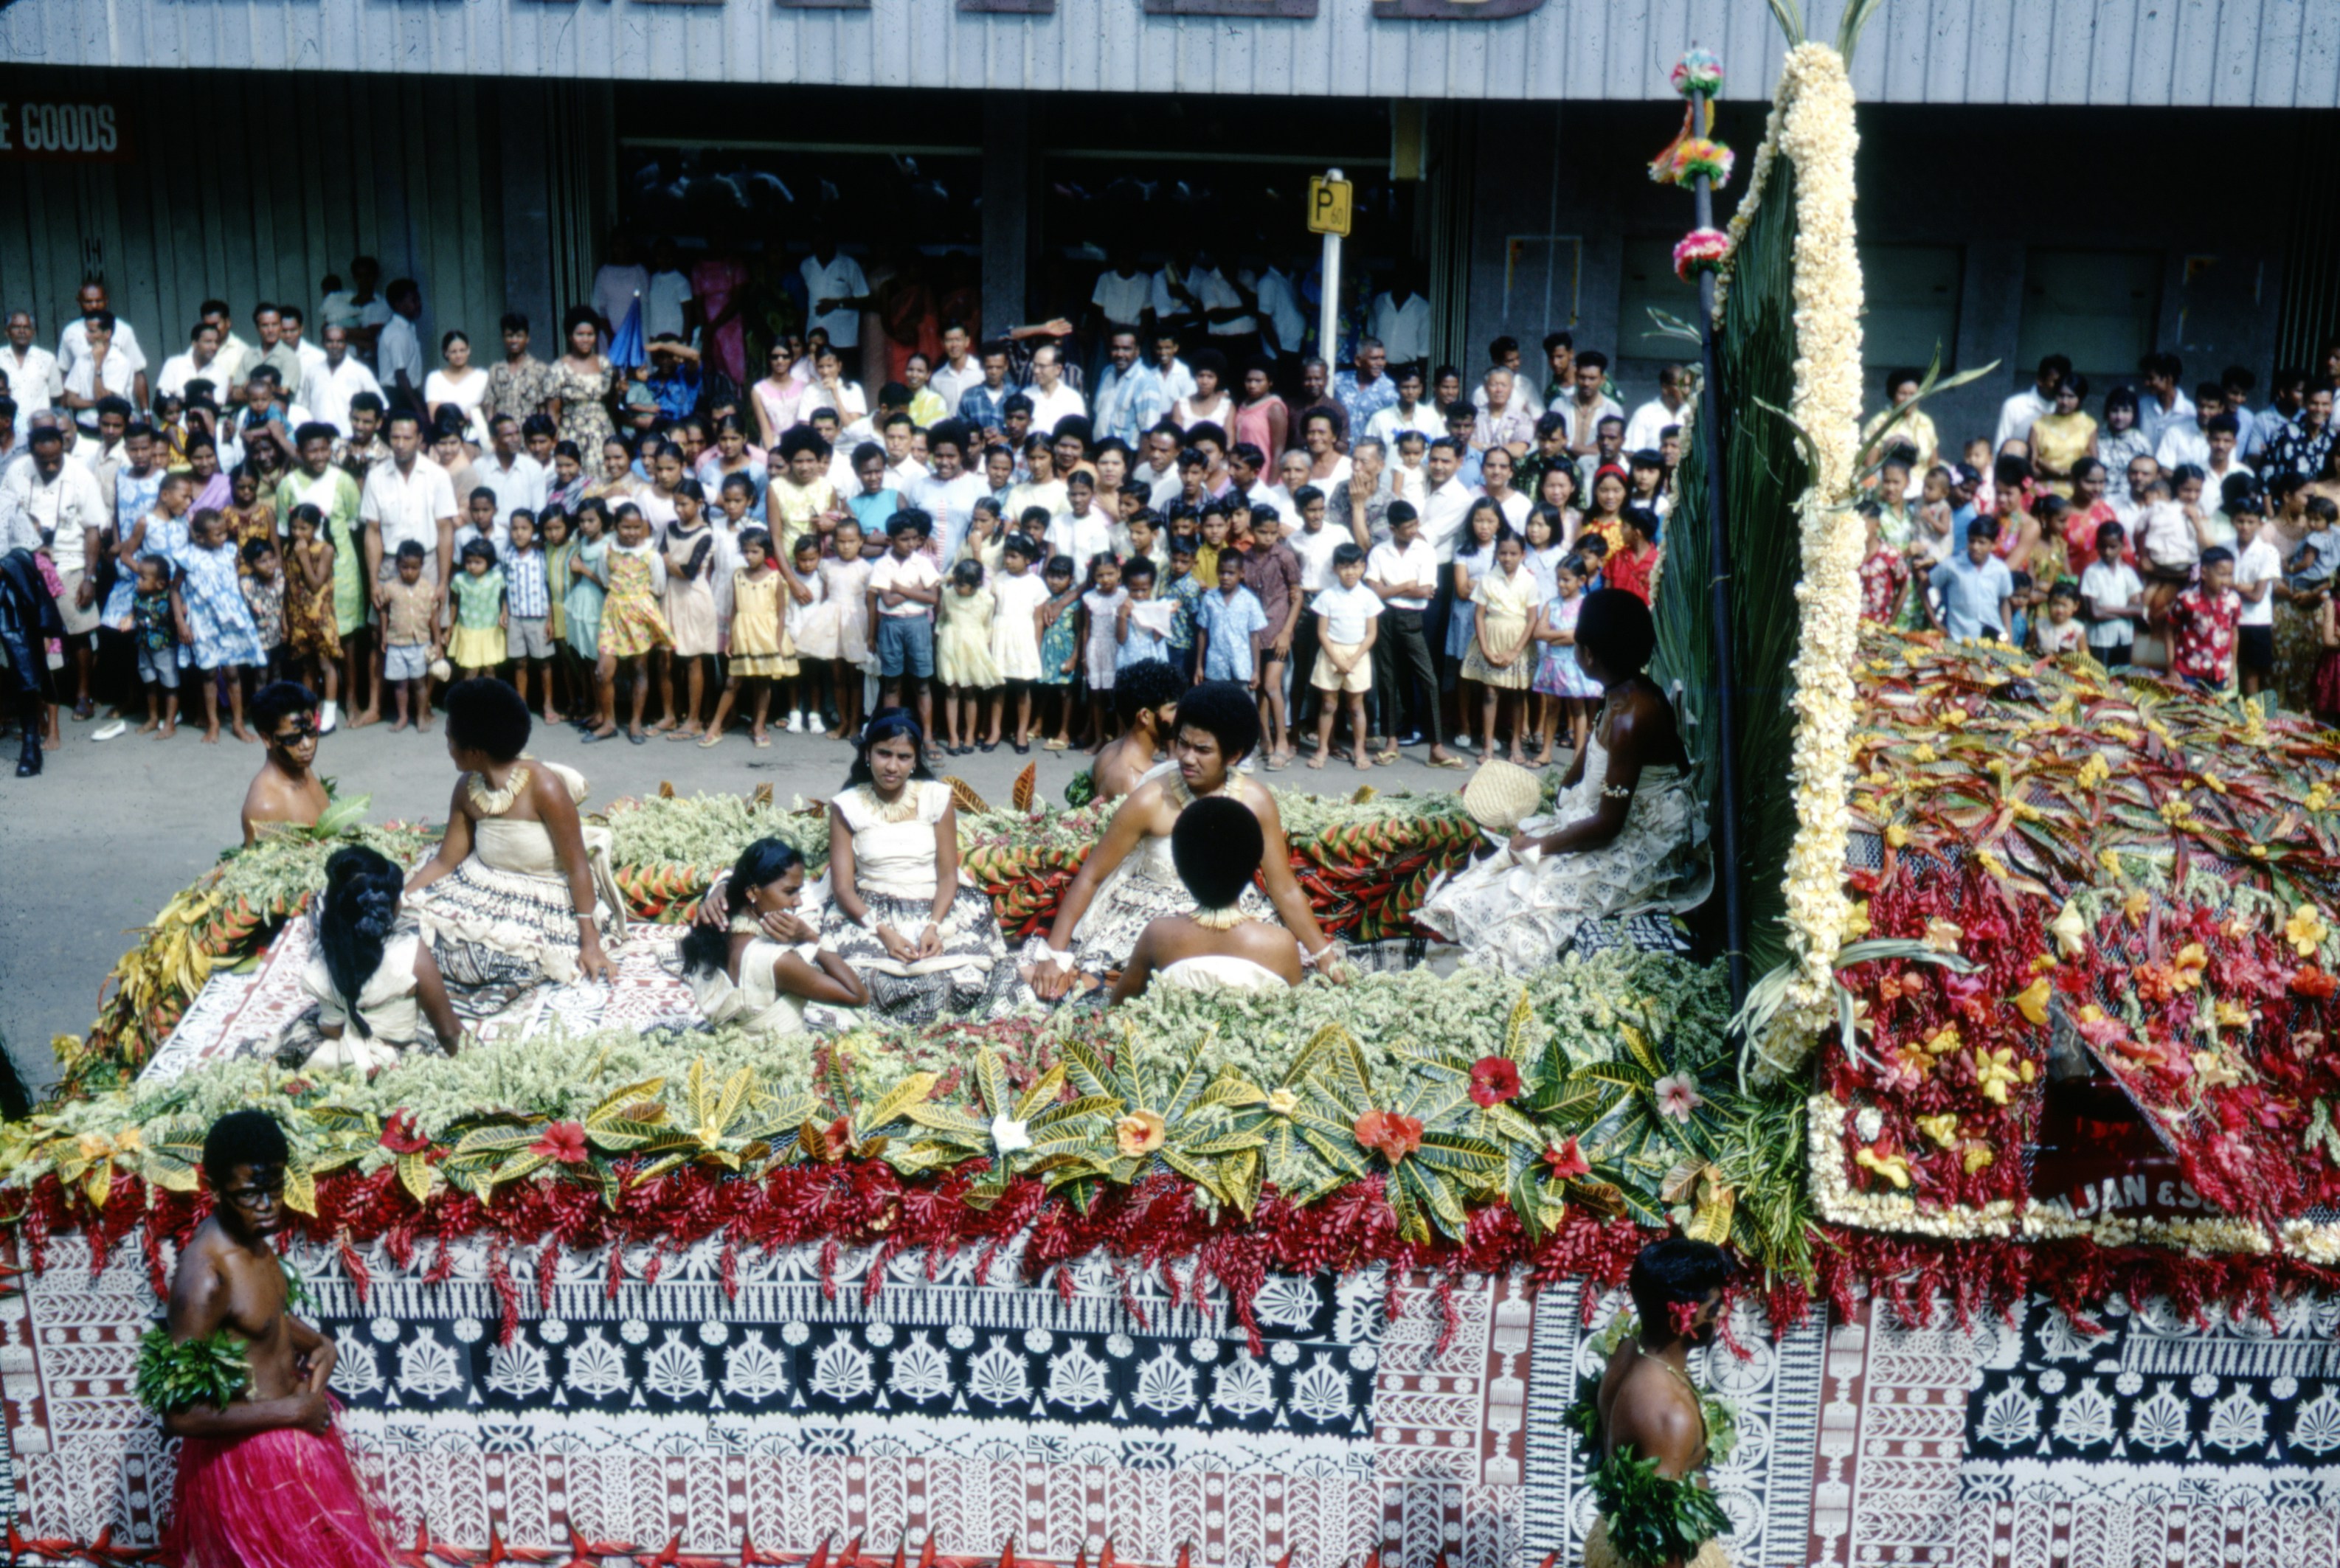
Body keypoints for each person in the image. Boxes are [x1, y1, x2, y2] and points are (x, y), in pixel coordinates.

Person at [148, 1110, 397, 1568]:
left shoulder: (256, 1239)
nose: (267, 1205)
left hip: (292, 1444)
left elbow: (261, 1319)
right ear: (215, 1191)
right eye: (248, 1194)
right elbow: (179, 1415)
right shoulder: (204, 1276)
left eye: (275, 1188)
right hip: (251, 1462)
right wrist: (293, 1410)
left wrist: (319, 1344)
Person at [1417, 591, 1709, 975]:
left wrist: (1538, 845)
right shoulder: (1620, 691)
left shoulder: (1633, 715)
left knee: (1532, 892)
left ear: (1587, 655)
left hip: (1641, 839)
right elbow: (1588, 757)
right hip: (1609, 820)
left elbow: (1608, 826)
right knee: (1507, 867)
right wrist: (1559, 800)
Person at [1025, 681, 1342, 996]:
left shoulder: (1255, 801)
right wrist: (1054, 956)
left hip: (1231, 913)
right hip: (1150, 919)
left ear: (1233, 755)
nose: (1188, 758)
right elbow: (1092, 876)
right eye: (1183, 744)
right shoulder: (1151, 799)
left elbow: (1283, 887)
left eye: (1203, 750)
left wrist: (1323, 955)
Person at [404, 678, 626, 1011]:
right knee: (418, 932)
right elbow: (445, 863)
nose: (447, 744)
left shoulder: (544, 787)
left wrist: (590, 943)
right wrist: (405, 897)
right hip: (485, 887)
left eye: (450, 737)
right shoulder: (467, 788)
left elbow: (578, 866)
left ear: (475, 752)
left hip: (545, 896)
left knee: (495, 959)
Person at [815, 710, 1025, 1023]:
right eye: (884, 753)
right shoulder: (847, 805)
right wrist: (881, 932)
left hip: (936, 905)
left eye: (903, 757)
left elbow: (947, 876)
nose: (892, 766)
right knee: (865, 982)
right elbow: (843, 887)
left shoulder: (936, 797)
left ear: (915, 761)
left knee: (963, 982)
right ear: (868, 754)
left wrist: (934, 927)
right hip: (870, 910)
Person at [1581, 1239, 1735, 1568]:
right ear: (1680, 1319)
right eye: (1712, 1307)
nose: (1722, 1313)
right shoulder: (1668, 1415)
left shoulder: (1627, 1351)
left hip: (1612, 1546)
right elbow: (1661, 1542)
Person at [279, 846, 462, 1072]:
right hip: (392, 1062)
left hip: (324, 1056)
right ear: (388, 908)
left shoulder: (323, 946)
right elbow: (449, 1033)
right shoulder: (412, 954)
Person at [1109, 797, 1305, 1002]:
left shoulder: (1158, 936)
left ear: (1182, 869)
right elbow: (1295, 1016)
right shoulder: (1281, 944)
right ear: (1253, 867)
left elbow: (1119, 1007)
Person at [679, 839, 868, 1033]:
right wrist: (811, 939)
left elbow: (738, 870)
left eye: (799, 890)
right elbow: (859, 996)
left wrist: (721, 887)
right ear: (753, 892)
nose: (798, 902)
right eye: (790, 892)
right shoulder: (777, 960)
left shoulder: (715, 932)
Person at [1084, 656, 1184, 805]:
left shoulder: (1107, 751)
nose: (1179, 715)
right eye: (1172, 709)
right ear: (1144, 716)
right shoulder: (1137, 782)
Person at [240, 681, 330, 846]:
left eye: (311, 733)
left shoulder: (303, 770)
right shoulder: (263, 807)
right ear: (267, 739)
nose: (307, 745)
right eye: (293, 739)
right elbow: (260, 869)